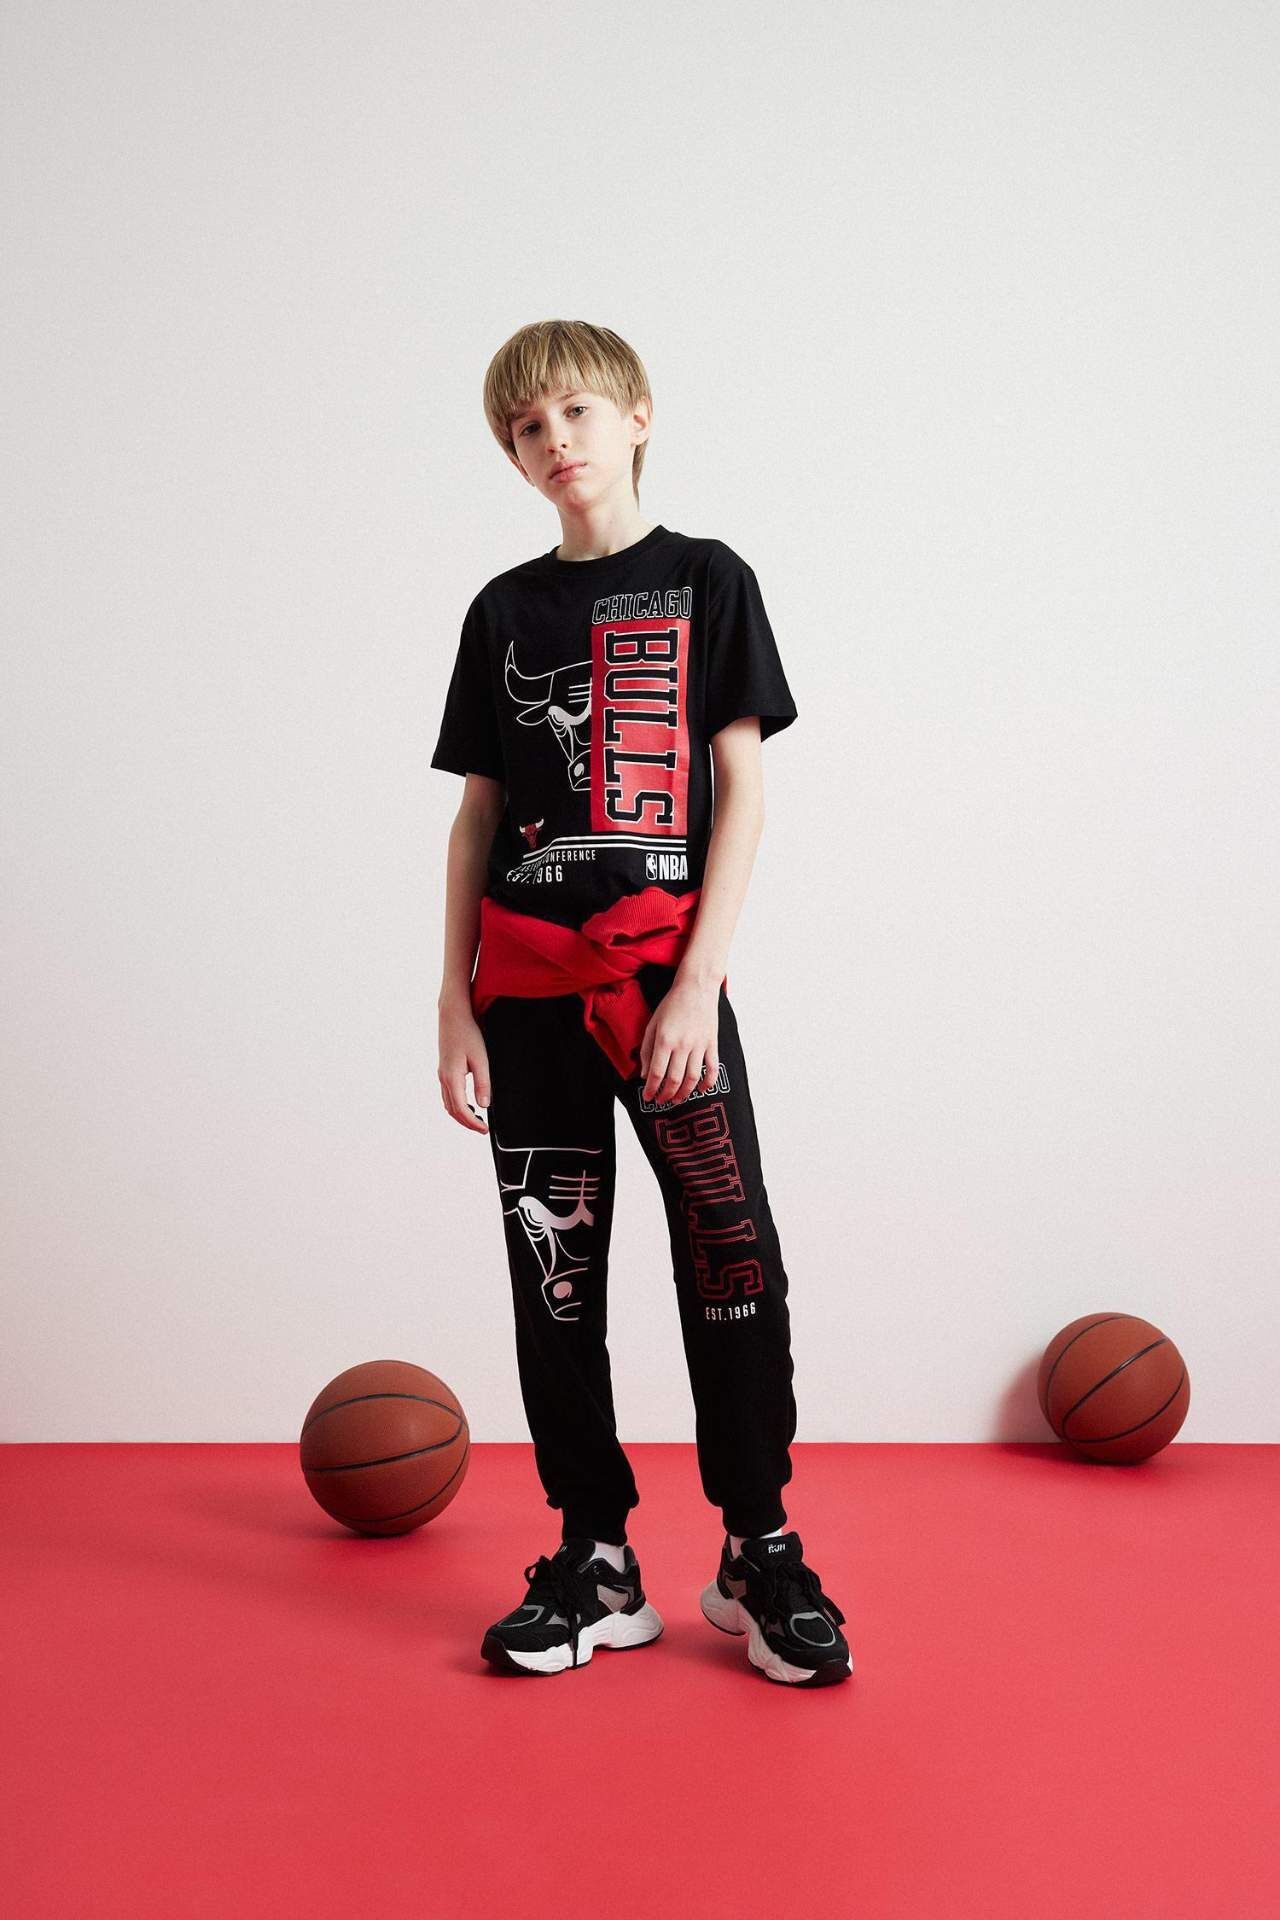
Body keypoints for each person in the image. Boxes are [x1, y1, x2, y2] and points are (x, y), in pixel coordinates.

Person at [431, 319, 852, 1688]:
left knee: (730, 1251)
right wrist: (452, 1002)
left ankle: (757, 1546)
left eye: (575, 412)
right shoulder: (502, 613)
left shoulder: (707, 580)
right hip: (526, 995)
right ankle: (596, 1557)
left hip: (665, 986)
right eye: (526, 428)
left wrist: (698, 988)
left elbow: (745, 794)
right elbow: (477, 816)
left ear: (638, 415)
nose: (554, 441)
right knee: (556, 1277)